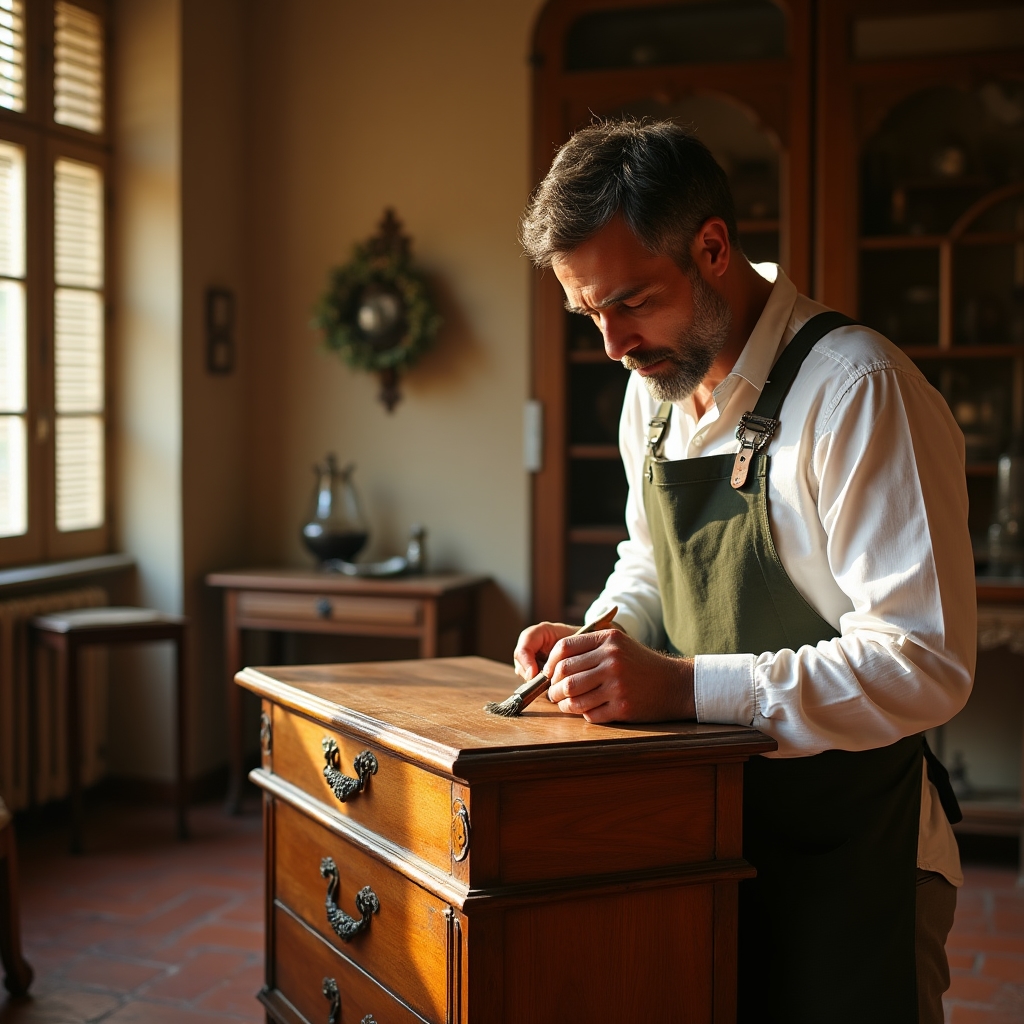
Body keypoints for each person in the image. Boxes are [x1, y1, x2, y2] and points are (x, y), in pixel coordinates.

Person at [516, 119, 975, 1024]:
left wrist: (684, 687)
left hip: (855, 861)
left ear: (714, 248)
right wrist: (603, 637)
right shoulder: (650, 390)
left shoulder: (857, 391)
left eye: (632, 301)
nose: (611, 344)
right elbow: (651, 561)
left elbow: (924, 663)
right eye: (589, 314)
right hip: (700, 844)